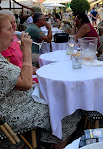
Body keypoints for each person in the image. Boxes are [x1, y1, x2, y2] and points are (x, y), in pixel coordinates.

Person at [0, 13, 82, 149]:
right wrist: (26, 50)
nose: (13, 31)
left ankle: (47, 138)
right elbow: (25, 83)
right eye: (9, 29)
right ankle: (56, 141)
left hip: (17, 102)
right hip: (10, 116)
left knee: (59, 97)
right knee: (68, 110)